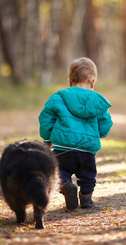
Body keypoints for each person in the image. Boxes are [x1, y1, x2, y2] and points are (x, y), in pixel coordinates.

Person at [38, 57, 113, 210]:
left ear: (70, 81)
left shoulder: (59, 97)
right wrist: (98, 134)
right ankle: (86, 198)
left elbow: (45, 119)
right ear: (93, 82)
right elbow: (104, 126)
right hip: (87, 150)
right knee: (88, 174)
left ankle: (65, 185)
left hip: (62, 147)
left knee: (59, 171)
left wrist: (47, 139)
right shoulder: (98, 102)